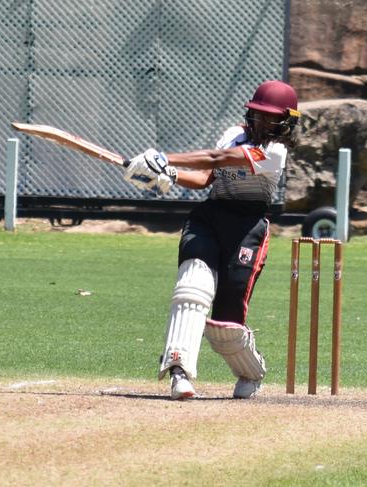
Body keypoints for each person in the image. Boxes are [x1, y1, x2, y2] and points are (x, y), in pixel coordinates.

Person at [123, 80, 301, 399]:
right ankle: (179, 372)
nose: (263, 122)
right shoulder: (234, 134)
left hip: (248, 229)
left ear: (286, 122)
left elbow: (217, 159)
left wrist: (165, 158)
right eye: (259, 115)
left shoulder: (275, 153)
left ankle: (251, 370)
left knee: (225, 328)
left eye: (271, 117)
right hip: (209, 217)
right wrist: (170, 175)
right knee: (191, 289)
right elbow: (207, 177)